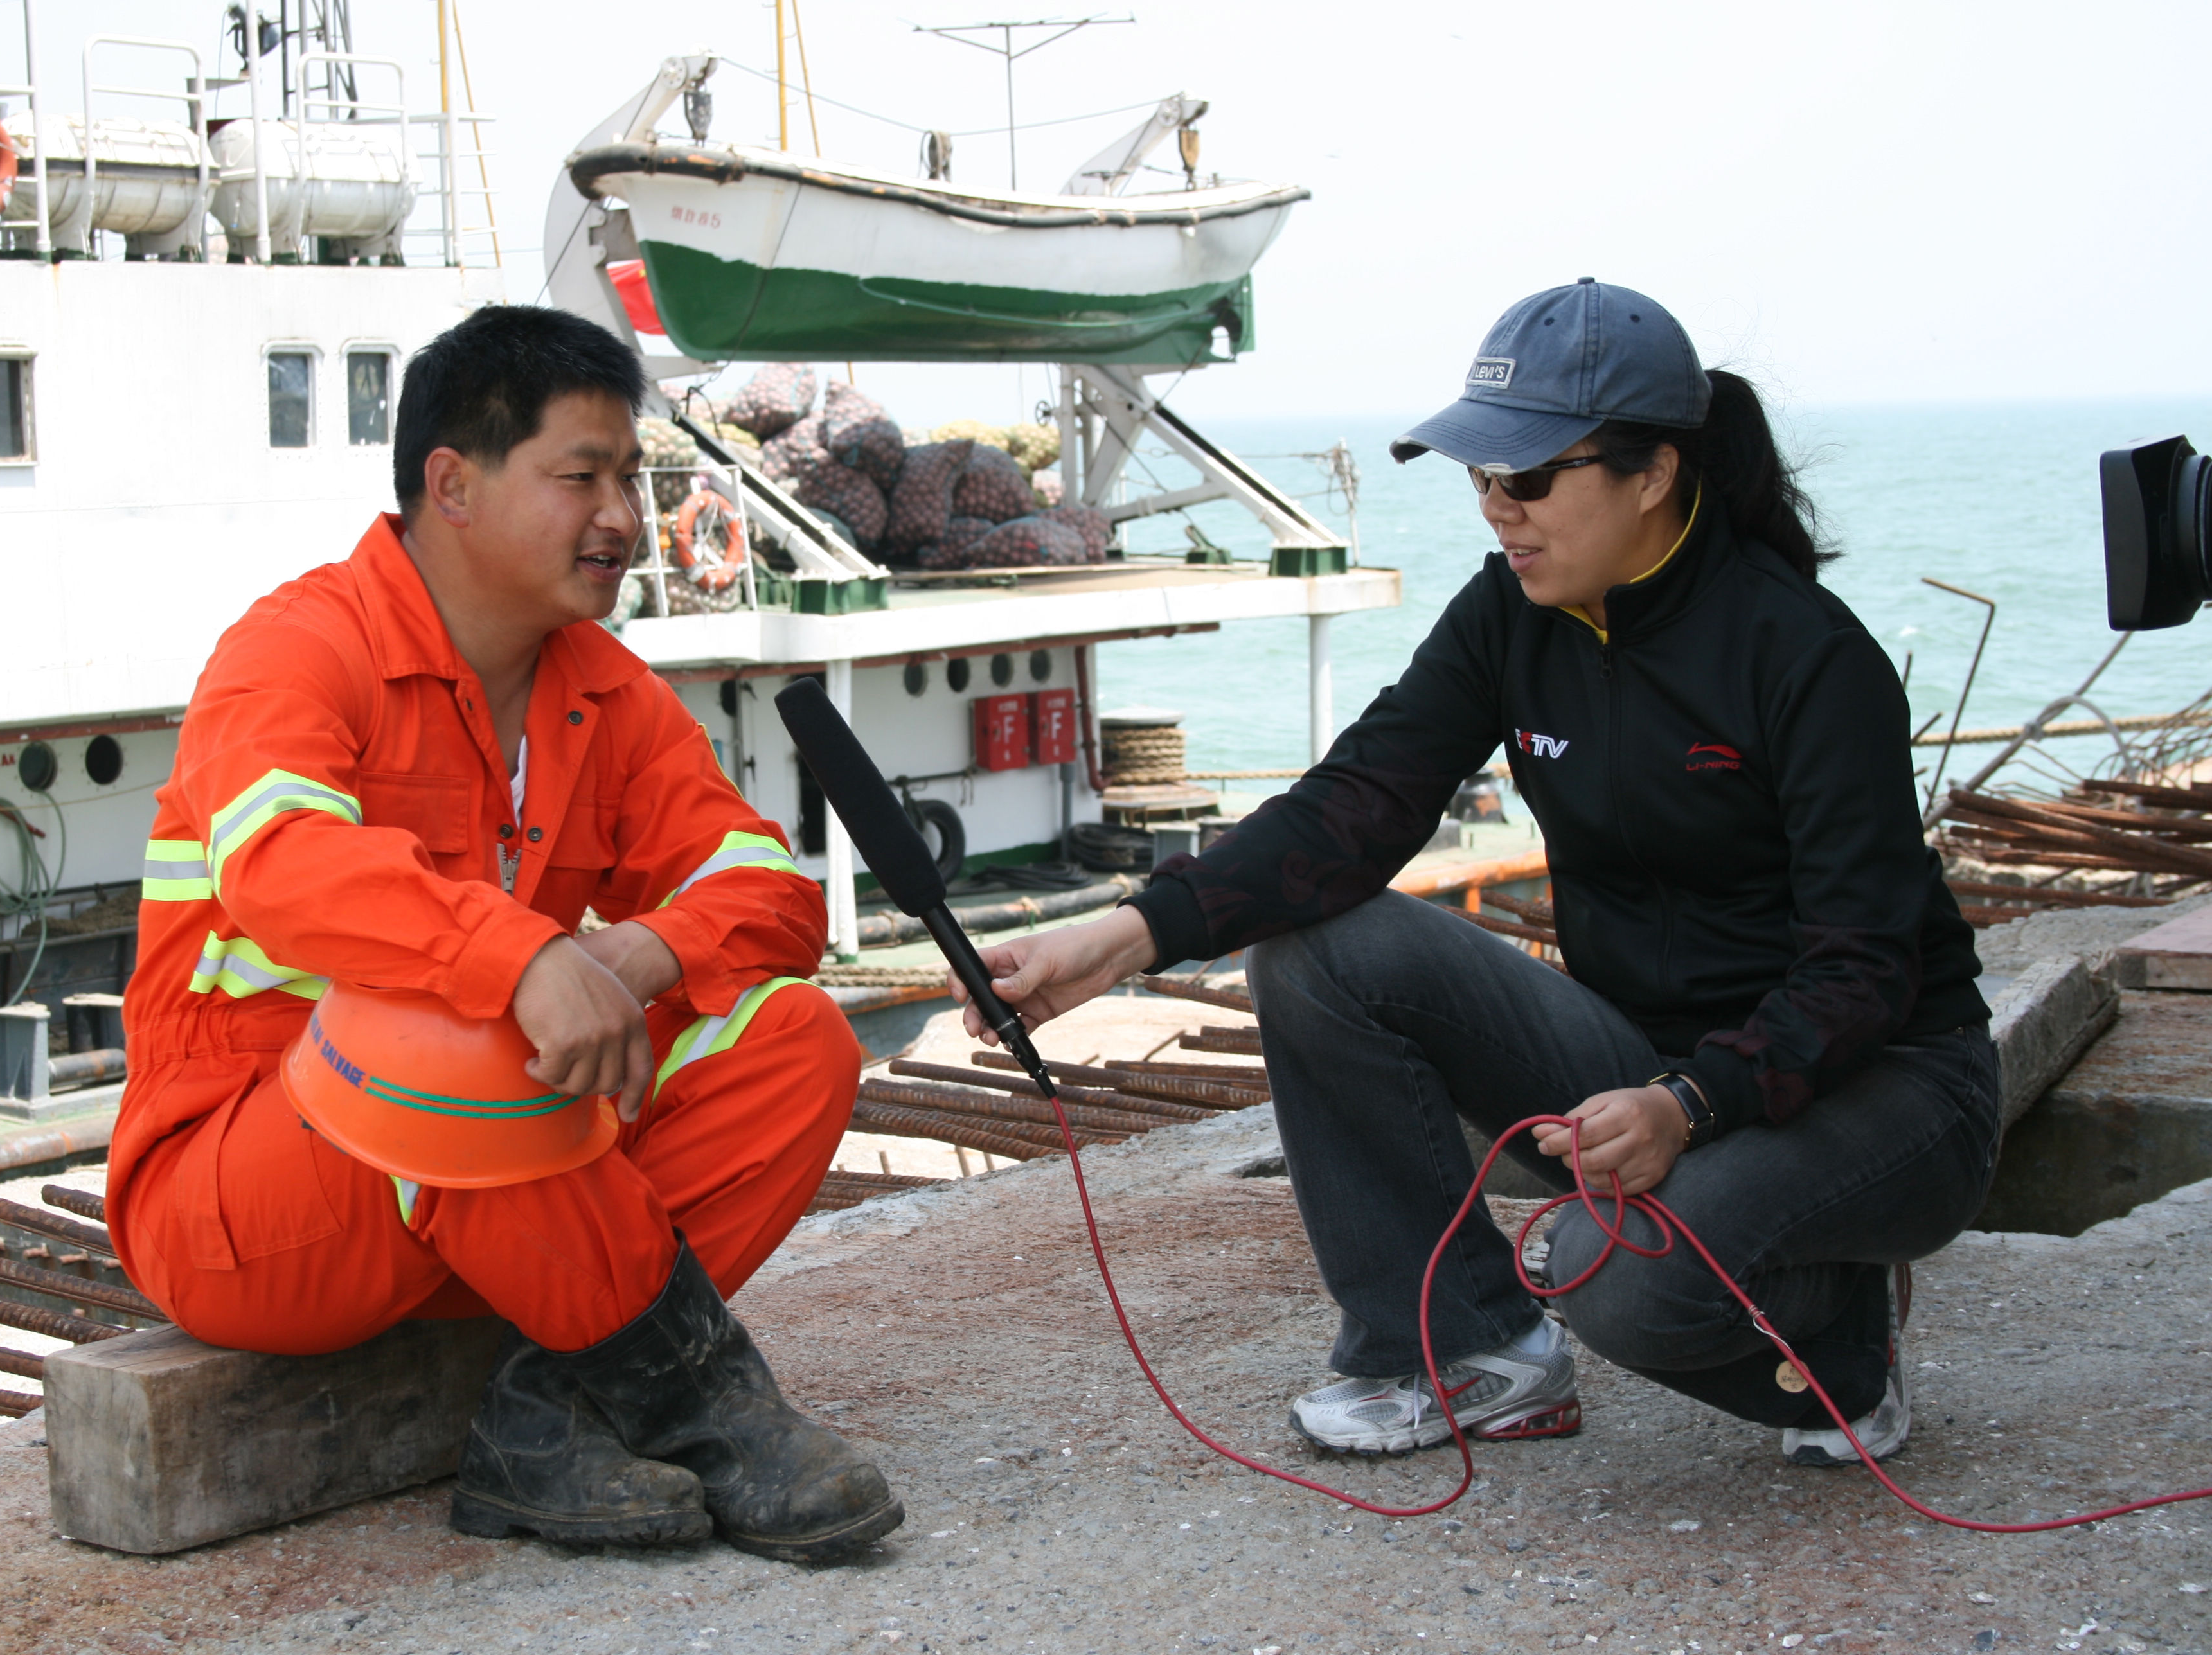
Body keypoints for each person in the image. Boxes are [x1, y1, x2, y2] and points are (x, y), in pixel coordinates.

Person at [961, 279, 1995, 1467]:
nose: (1499, 510)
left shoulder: (1808, 659)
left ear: (1654, 472)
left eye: (1532, 479)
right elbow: (1356, 807)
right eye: (1481, 479)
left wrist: (1692, 1106)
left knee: (1620, 1286)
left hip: (1887, 1087)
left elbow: (1864, 967)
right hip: (1642, 1071)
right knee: (1321, 950)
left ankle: (1843, 1340)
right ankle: (1466, 1350)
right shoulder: (1511, 612)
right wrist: (1129, 933)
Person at [109, 305, 900, 1562]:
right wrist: (522, 957)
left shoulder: (605, 692)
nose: (622, 517)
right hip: (247, 1199)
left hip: (470, 1178)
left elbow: (769, 888)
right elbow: (281, 867)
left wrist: (637, 954)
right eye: (579, 477)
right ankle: (707, 1406)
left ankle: (552, 1411)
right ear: (453, 485)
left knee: (793, 1040)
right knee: (454, 1034)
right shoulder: (299, 650)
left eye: (631, 478)